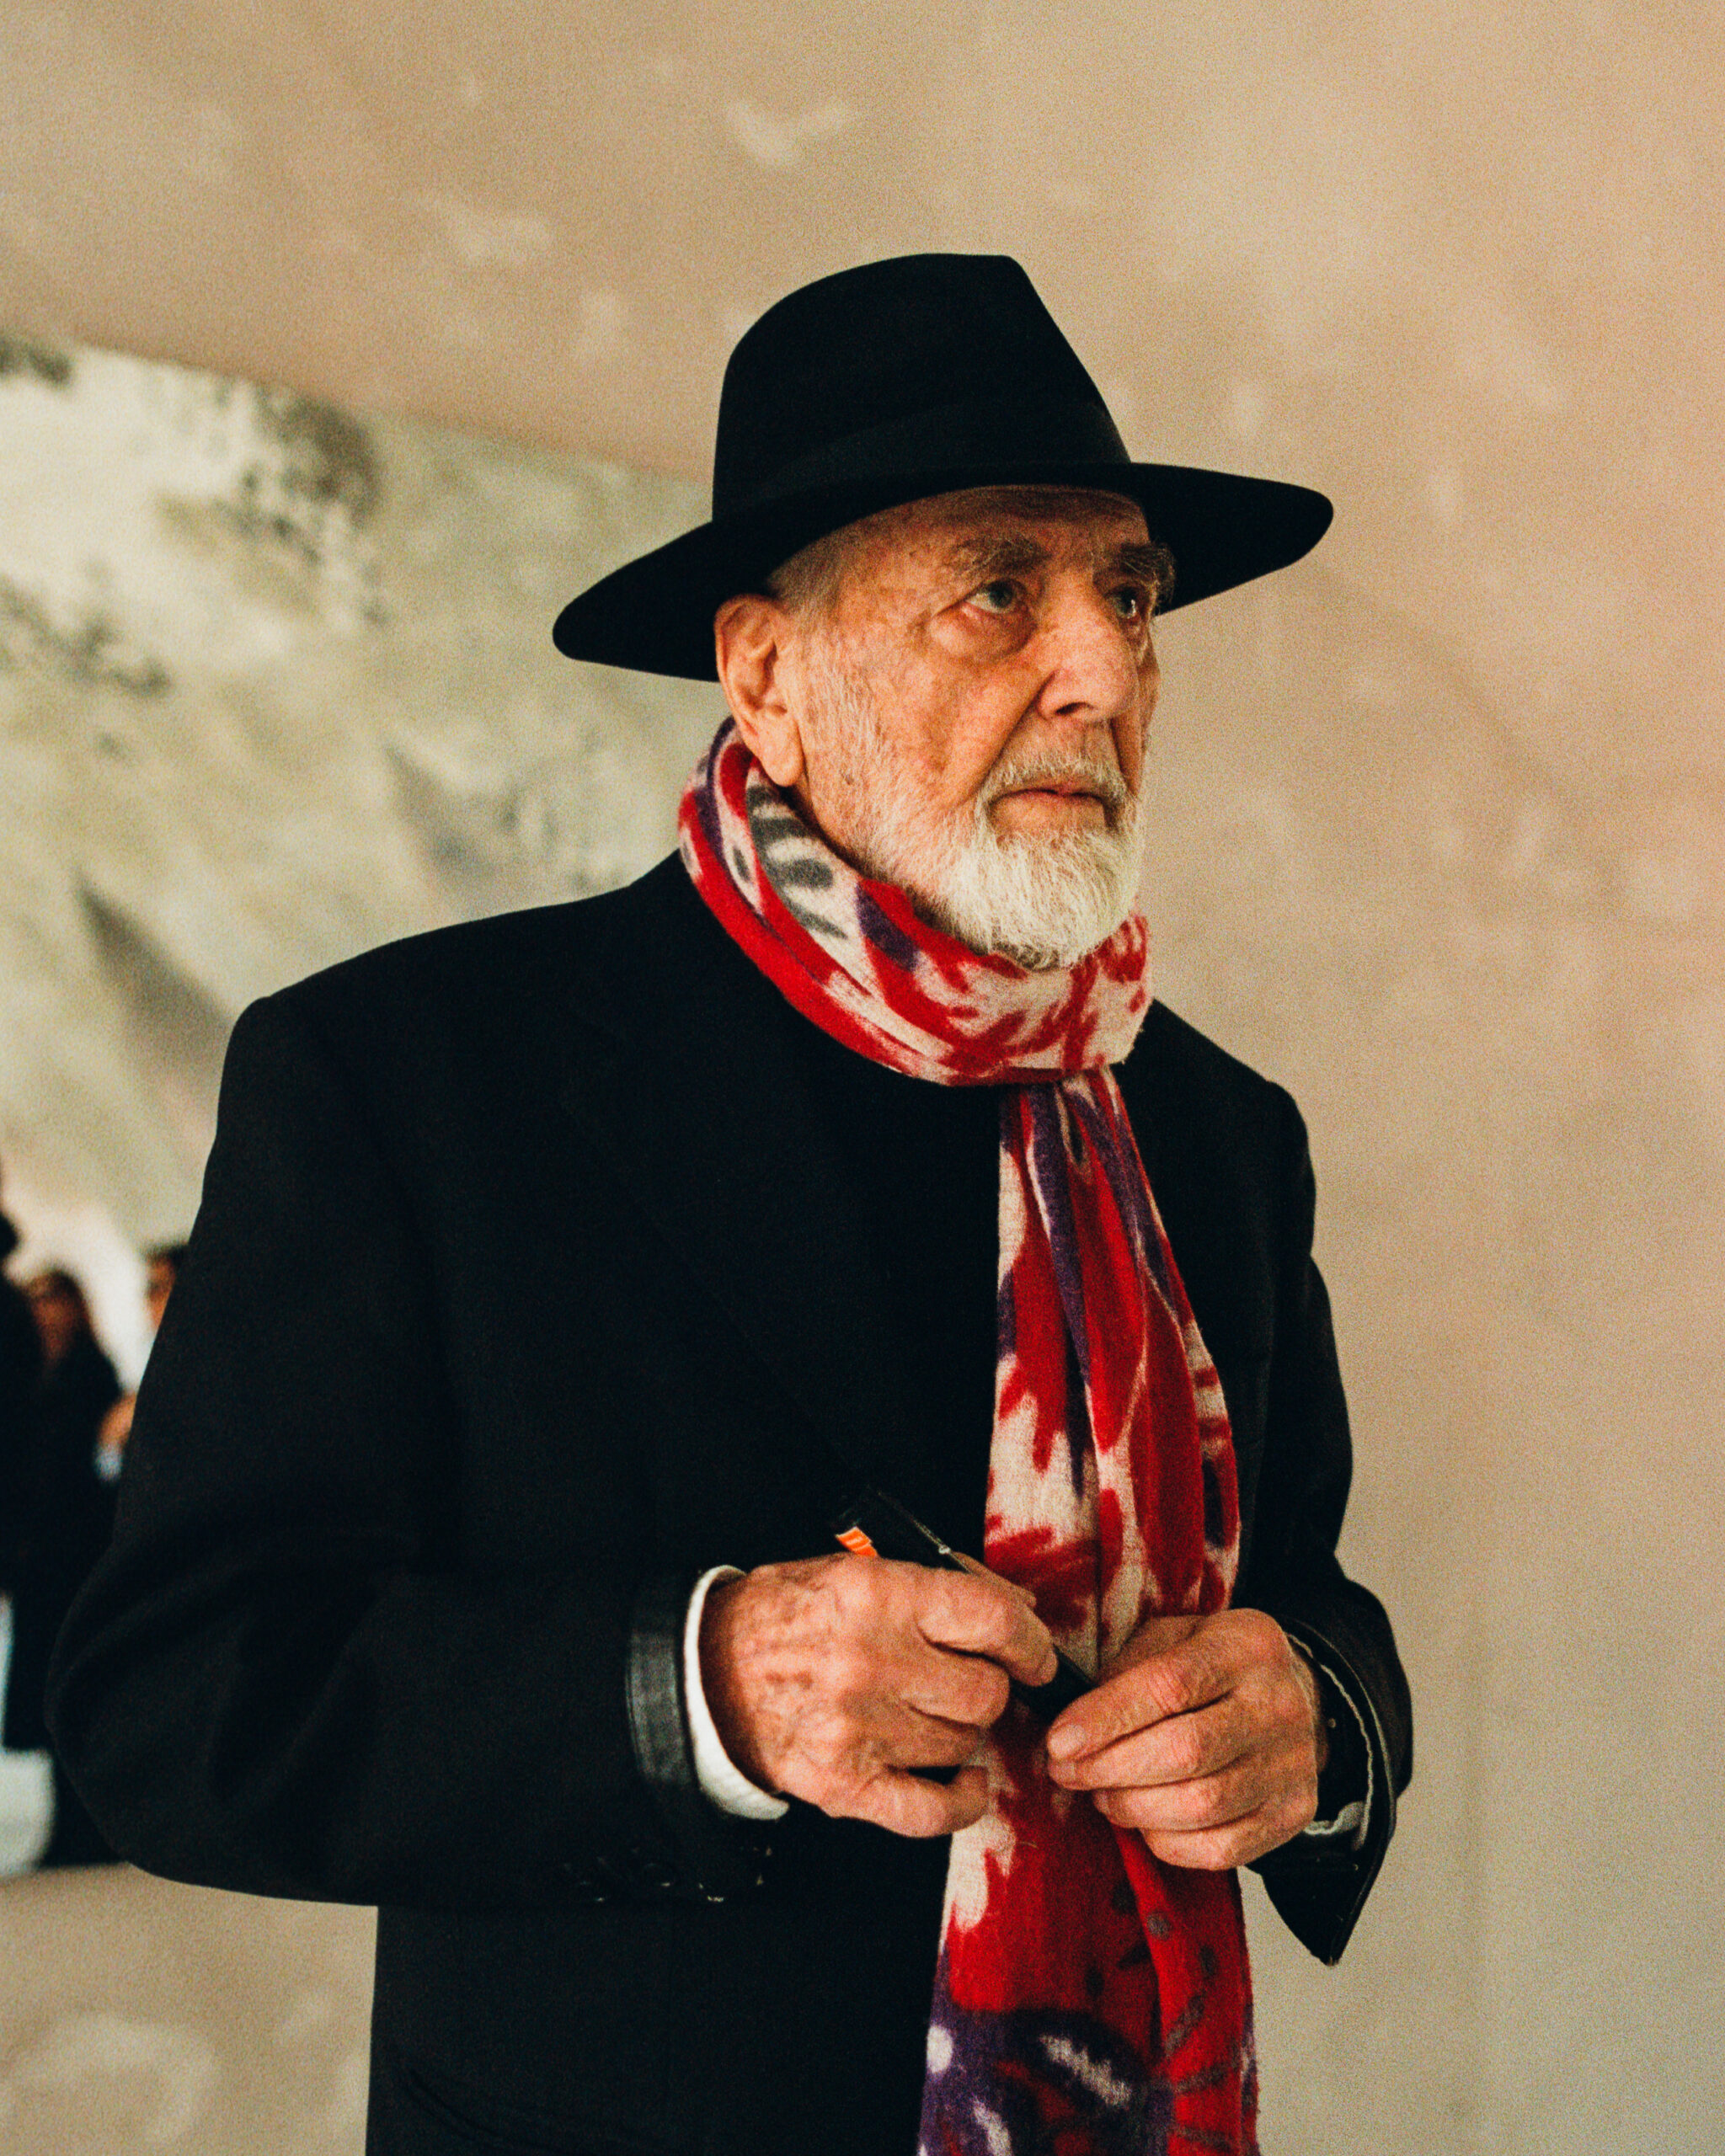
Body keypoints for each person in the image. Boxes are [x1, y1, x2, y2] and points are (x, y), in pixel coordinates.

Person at [51, 256, 1412, 2154]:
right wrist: (695, 1689)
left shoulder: (1211, 1126)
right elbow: (171, 1704)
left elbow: (1312, 1598)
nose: (1102, 673)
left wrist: (1316, 1718)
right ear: (767, 675)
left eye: (1127, 595)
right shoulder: (410, 1076)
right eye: (1000, 590)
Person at [8, 1267, 119, 1865]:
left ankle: (85, 1827)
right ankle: (70, 1825)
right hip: (45, 1561)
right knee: (54, 1693)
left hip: (71, 1559)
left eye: (53, 1298)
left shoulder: (86, 1375)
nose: (43, 1310)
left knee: (73, 1688)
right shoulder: (36, 1376)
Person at [96, 1241, 187, 1477]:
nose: (149, 1301)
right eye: (149, 1290)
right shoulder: (155, 1356)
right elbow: (108, 1467)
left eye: (158, 1288)